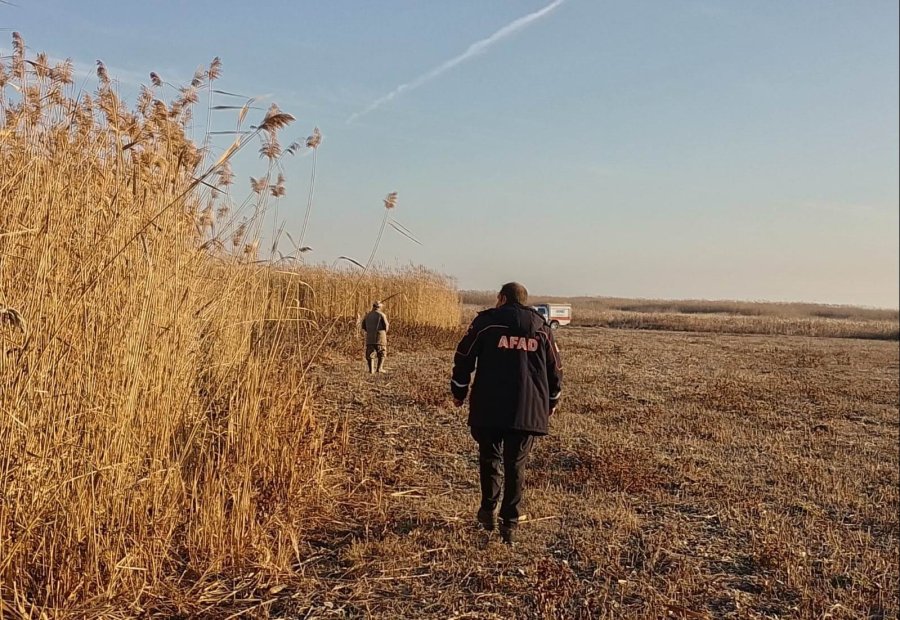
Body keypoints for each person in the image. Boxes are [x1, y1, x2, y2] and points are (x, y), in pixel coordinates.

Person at [450, 282, 562, 544]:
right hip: (528, 408)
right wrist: (552, 399)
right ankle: (509, 524)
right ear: (525, 301)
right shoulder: (541, 327)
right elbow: (555, 367)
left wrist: (459, 389)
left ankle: (488, 511)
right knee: (516, 465)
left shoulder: (487, 323)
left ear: (501, 298)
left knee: (490, 459)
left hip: (489, 405)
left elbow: (464, 355)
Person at [361, 301, 389, 373]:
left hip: (370, 337)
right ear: (379, 307)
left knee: (370, 353)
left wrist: (370, 331)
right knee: (382, 352)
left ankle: (371, 370)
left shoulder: (367, 315)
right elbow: (386, 326)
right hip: (380, 337)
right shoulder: (382, 315)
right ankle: (380, 368)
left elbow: (363, 326)